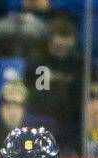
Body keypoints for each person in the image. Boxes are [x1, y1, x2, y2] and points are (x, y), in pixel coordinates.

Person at [24, 14, 84, 150]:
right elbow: (40, 91)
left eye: (66, 44)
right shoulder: (39, 60)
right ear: (49, 41)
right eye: (58, 44)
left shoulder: (78, 62)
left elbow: (82, 89)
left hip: (73, 115)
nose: (62, 47)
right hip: (44, 112)